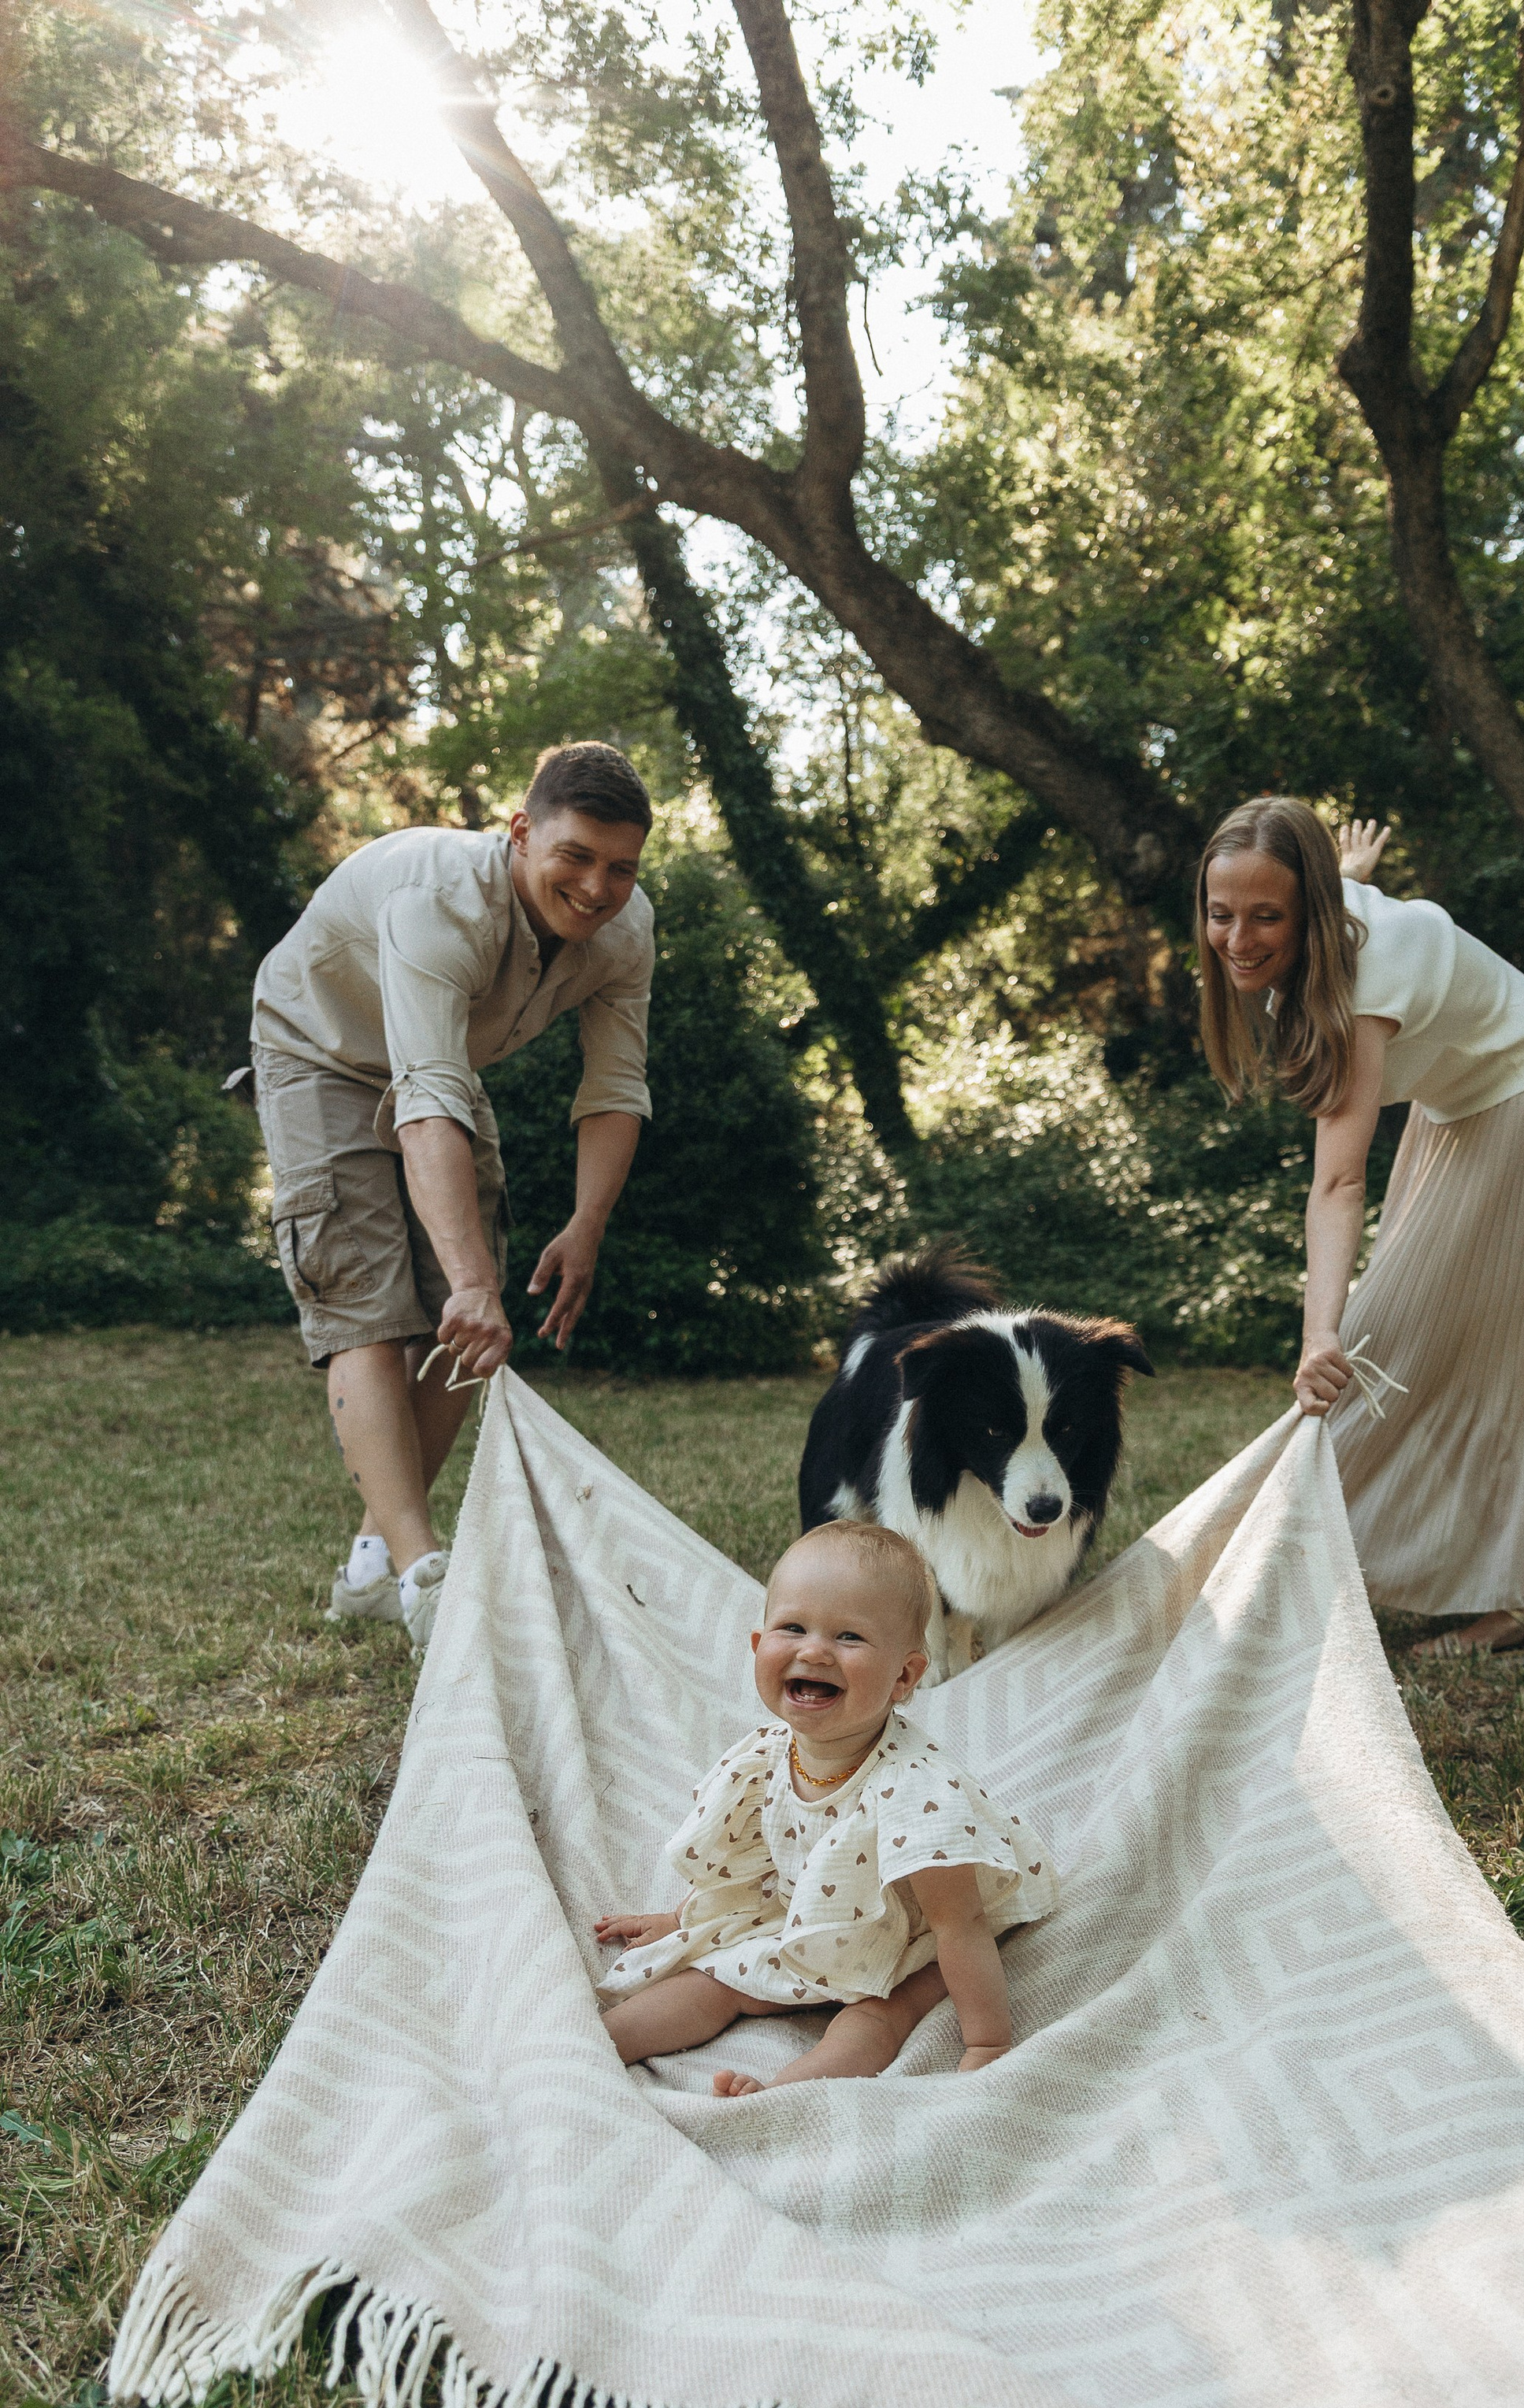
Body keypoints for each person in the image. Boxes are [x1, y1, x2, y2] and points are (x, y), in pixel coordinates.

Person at [247, 741, 657, 1654]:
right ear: (520, 834)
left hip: (438, 1062)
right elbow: (426, 1097)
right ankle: (422, 1576)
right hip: (320, 1050)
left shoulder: (627, 931)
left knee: (466, 1322)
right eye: (575, 856)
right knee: (366, 1307)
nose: (597, 887)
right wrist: (469, 1280)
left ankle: (370, 1566)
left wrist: (585, 1225)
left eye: (621, 867)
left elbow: (616, 1086)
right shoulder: (438, 900)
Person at [1197, 798, 1524, 1655]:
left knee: (1388, 1344)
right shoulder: (1328, 926)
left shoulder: (1360, 981)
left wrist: (1320, 1333)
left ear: (1308, 910)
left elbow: (1340, 1182)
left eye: (1266, 917)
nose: (1237, 939)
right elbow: (1340, 905)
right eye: (1221, 914)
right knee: (1408, 1345)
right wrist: (1347, 876)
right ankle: (1301, 1574)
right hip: (1456, 1106)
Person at [595, 1521, 1055, 2094]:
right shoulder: (768, 1755)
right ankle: (587, 2046)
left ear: (904, 1677)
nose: (813, 1651)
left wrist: (988, 2044)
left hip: (910, 1940)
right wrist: (687, 1919)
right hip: (812, 1920)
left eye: (849, 1637)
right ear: (758, 1645)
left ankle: (778, 2096)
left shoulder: (920, 1795)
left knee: (875, 2019)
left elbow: (959, 1925)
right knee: (714, 1978)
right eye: (793, 1628)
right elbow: (748, 1858)